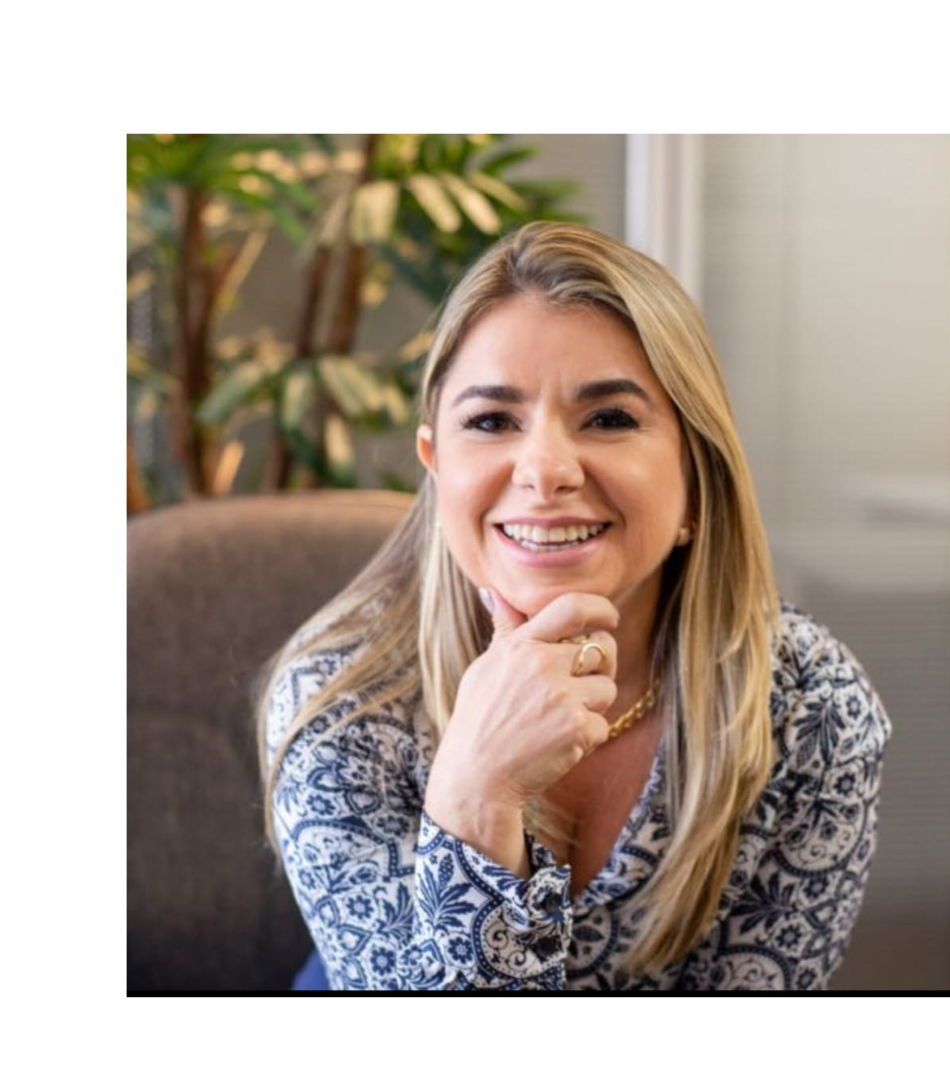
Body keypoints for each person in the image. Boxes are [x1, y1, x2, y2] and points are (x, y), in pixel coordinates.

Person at [258, 221, 892, 991]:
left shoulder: (811, 703)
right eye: (491, 421)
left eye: (610, 418)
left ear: (697, 475)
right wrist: (477, 795)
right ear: (436, 466)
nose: (546, 469)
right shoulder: (342, 698)